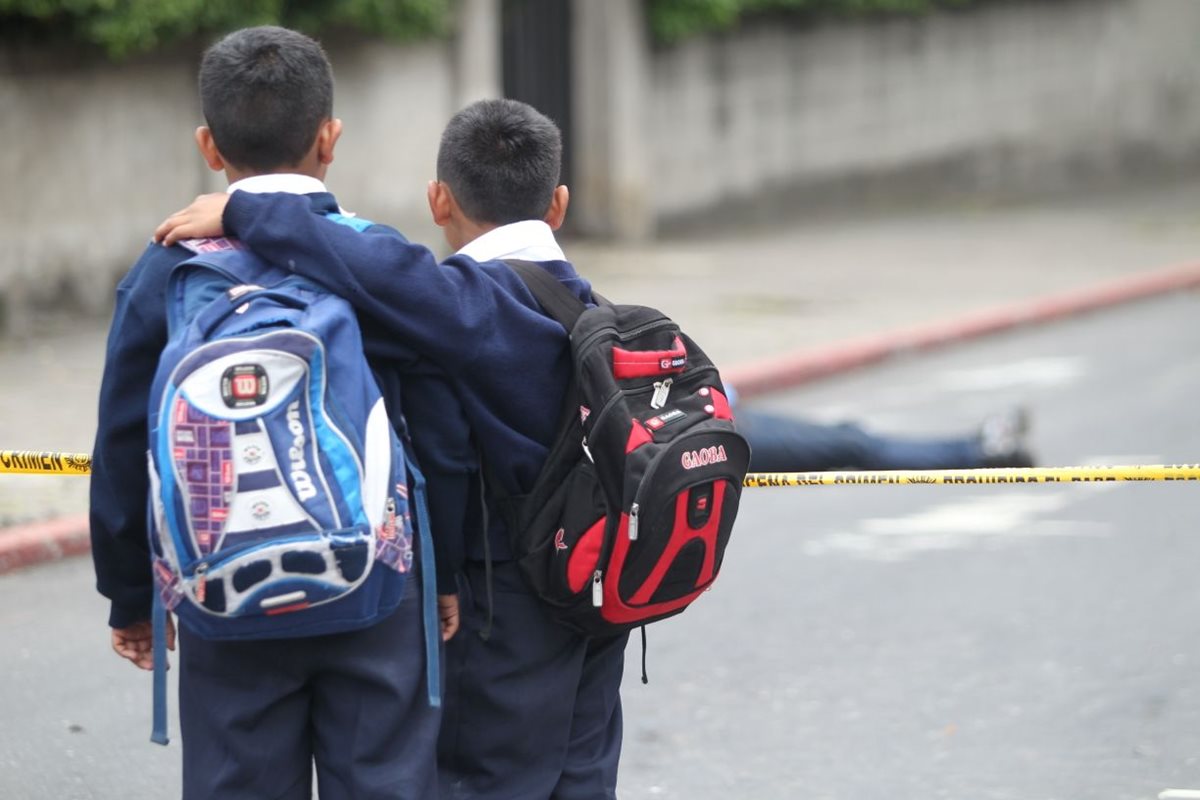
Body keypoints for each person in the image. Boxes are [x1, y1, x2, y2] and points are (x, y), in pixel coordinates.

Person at [157, 99, 627, 800]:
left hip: (506, 609)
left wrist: (245, 212)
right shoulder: (593, 311)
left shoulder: (474, 305)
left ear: (439, 201)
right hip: (600, 593)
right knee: (580, 775)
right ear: (558, 205)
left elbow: (382, 271)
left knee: (484, 780)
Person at [89, 26, 466, 799]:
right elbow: (440, 429)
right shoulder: (372, 257)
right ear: (330, 139)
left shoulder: (167, 267)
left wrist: (132, 597)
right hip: (375, 585)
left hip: (222, 584)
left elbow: (125, 442)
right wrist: (446, 573)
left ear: (208, 145)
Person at [735, 399, 1035, 472]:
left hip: (725, 414)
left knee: (846, 434)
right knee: (853, 445)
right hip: (716, 437)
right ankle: (979, 454)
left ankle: (975, 445)